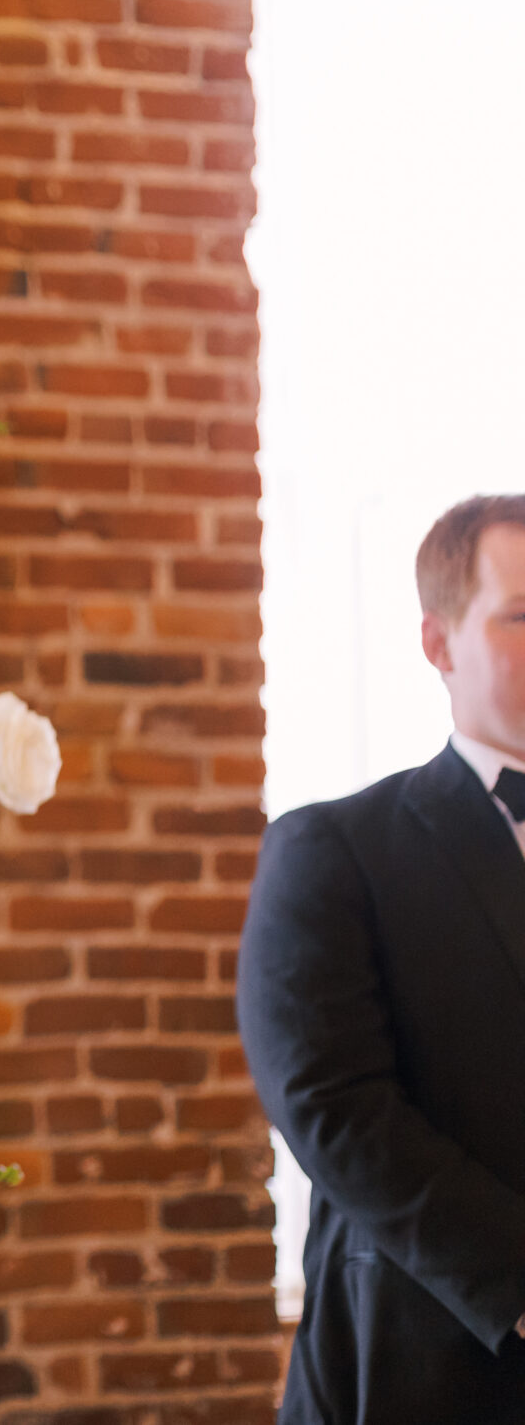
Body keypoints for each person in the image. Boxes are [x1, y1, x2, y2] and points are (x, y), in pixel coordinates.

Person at [241, 494, 525, 1421]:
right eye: (522, 614)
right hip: (427, 1359)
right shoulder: (338, 849)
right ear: (438, 643)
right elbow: (335, 1108)